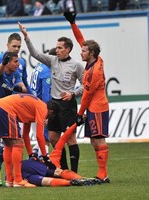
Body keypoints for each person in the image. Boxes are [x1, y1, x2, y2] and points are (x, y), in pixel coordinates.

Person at [18, 21, 84, 173]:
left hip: (68, 105)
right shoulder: (53, 60)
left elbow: (84, 85)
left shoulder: (76, 65)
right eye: (57, 47)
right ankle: (64, 169)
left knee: (70, 139)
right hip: (53, 105)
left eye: (60, 48)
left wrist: (73, 93)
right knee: (54, 138)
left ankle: (74, 171)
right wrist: (26, 37)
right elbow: (35, 54)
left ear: (67, 49)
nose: (57, 50)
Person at [64, 11, 110, 183]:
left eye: (83, 51)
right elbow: (80, 40)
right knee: (94, 141)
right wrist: (73, 23)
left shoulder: (93, 73)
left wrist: (79, 113)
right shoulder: (96, 60)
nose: (80, 52)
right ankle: (102, 174)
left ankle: (103, 175)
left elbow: (86, 96)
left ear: (91, 53)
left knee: (98, 140)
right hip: (94, 108)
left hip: (97, 107)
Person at [0, 33, 32, 184]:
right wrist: (2, 74)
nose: (16, 49)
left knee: (11, 143)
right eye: (14, 46)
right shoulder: (0, 60)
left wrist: (32, 97)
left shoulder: (19, 65)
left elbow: (23, 84)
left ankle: (8, 175)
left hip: (10, 108)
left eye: (19, 47)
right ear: (7, 46)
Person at [0, 94, 56, 187]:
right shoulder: (43, 108)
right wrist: (45, 157)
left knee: (8, 144)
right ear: (51, 111)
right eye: (52, 116)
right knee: (18, 143)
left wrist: (30, 154)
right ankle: (18, 180)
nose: (48, 119)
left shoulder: (32, 109)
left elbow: (26, 134)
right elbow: (40, 136)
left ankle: (9, 180)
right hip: (6, 109)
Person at [22, 122, 95, 187]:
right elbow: (63, 139)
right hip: (28, 169)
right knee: (48, 179)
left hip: (24, 168)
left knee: (47, 180)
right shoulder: (53, 160)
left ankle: (73, 181)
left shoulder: (53, 157)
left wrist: (75, 124)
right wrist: (75, 124)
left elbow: (63, 139)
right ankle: (79, 179)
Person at [30, 47, 56, 159]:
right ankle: (44, 162)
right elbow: (46, 96)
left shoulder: (39, 66)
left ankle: (34, 155)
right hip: (39, 108)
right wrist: (47, 114)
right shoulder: (47, 72)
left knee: (41, 137)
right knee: (45, 139)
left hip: (31, 105)